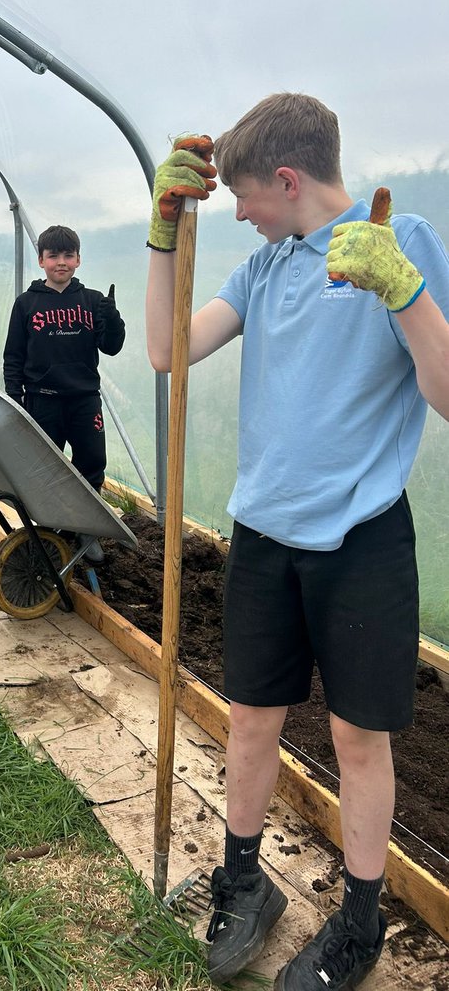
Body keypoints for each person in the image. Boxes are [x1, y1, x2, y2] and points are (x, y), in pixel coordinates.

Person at [145, 94, 449, 990]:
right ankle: (245, 883)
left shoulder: (400, 240)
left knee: (359, 740)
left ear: (287, 179)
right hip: (264, 536)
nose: (237, 213)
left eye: (244, 196)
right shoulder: (267, 266)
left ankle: (359, 925)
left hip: (359, 540)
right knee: (251, 718)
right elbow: (168, 350)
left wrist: (406, 291)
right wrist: (163, 236)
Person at [2, 224, 125, 563]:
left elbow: (112, 346)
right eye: (53, 255)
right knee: (45, 467)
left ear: (78, 260)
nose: (61, 262)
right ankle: (48, 529)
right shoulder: (26, 304)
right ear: (41, 260)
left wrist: (113, 320)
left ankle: (86, 530)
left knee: (91, 462)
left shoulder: (93, 301)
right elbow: (13, 356)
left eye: (68, 255)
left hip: (84, 400)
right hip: (42, 400)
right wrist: (17, 398)